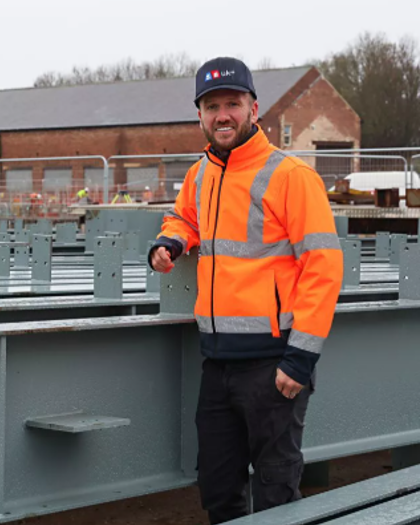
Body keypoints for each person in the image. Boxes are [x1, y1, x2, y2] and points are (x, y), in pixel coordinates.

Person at [149, 58, 343, 524]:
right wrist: (171, 241)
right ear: (200, 115)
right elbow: (184, 217)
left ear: (254, 109)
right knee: (218, 490)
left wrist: (300, 358)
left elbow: (323, 266)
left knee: (276, 493)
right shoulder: (201, 173)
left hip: (273, 365)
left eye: (232, 104)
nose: (223, 115)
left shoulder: (291, 176)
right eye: (212, 106)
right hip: (217, 364)